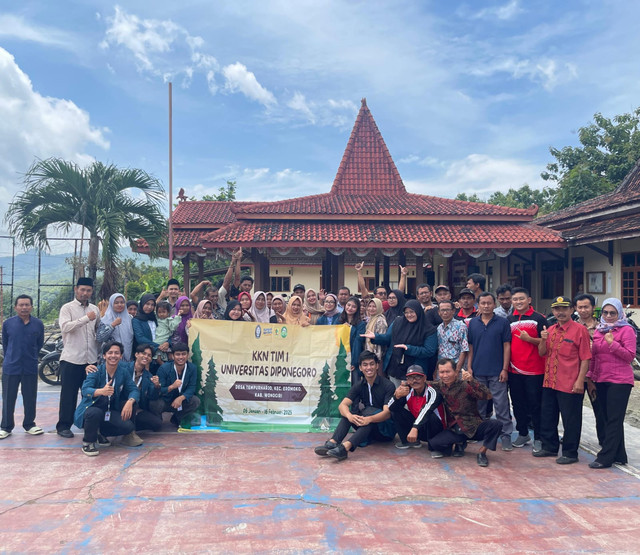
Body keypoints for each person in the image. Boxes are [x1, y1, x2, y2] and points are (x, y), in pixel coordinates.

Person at [536, 296, 591, 464]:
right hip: (550, 381)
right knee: (548, 416)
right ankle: (549, 447)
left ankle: (570, 452)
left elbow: (586, 358)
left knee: (571, 419)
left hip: (570, 383)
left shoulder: (580, 330)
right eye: (557, 309)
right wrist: (543, 339)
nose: (560, 312)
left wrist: (580, 381)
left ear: (571, 310)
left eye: (564, 308)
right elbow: (541, 353)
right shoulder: (550, 329)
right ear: (553, 311)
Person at [313, 351, 395, 461]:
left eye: (371, 364)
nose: (368, 368)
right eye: (365, 365)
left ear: (377, 366)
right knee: (349, 414)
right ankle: (333, 443)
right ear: (360, 368)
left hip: (385, 430)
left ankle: (345, 448)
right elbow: (342, 405)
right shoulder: (359, 385)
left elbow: (387, 414)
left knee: (367, 419)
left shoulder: (388, 385)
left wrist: (369, 419)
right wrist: (350, 416)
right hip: (368, 429)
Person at [587, 298, 636, 469]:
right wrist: (590, 378)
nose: (608, 316)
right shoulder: (600, 330)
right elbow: (595, 357)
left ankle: (605, 457)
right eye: (605, 313)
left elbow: (630, 356)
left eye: (612, 313)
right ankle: (619, 455)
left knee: (614, 419)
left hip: (620, 381)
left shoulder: (626, 330)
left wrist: (612, 343)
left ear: (619, 313)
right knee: (607, 418)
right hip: (601, 379)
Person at [428, 358, 502, 467]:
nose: (445, 375)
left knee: (496, 424)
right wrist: (407, 384)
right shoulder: (439, 385)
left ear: (455, 372)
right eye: (442, 372)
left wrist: (472, 381)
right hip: (455, 430)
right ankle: (459, 443)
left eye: (448, 372)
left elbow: (488, 395)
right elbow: (423, 384)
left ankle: (482, 452)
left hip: (473, 427)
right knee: (434, 444)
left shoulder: (466, 385)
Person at [73, 341, 140, 456]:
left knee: (128, 426)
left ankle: (100, 433)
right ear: (104, 355)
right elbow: (85, 390)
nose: (113, 356)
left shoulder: (123, 372)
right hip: (93, 408)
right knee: (94, 413)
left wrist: (130, 401)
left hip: (109, 410)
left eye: (116, 353)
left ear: (121, 356)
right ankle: (88, 442)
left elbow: (134, 389)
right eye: (110, 353)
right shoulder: (95, 371)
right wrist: (101, 391)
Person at [467, 292, 513, 451]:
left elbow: (507, 346)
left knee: (501, 405)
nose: (486, 306)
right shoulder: (473, 323)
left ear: (494, 305)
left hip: (497, 371)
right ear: (478, 305)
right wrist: (469, 367)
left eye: (489, 303)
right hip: (478, 371)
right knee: (479, 405)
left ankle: (506, 434)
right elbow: (471, 347)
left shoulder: (502, 322)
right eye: (483, 303)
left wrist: (504, 368)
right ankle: (478, 432)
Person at [56, 277, 101, 439]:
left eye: (88, 290)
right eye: (82, 290)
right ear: (76, 289)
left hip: (91, 360)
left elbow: (98, 331)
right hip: (71, 359)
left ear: (92, 291)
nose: (85, 293)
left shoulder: (95, 309)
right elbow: (66, 327)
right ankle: (63, 426)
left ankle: (87, 424)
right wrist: (85, 319)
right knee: (69, 395)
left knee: (90, 395)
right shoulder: (67, 308)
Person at [362, 299, 438, 387]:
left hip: (415, 370)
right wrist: (376, 337)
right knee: (397, 395)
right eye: (406, 312)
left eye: (412, 312)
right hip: (395, 367)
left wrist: (409, 348)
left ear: (418, 311)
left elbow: (429, 350)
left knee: (412, 397)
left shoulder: (429, 329)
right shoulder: (398, 322)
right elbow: (389, 338)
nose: (409, 315)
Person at [507, 287, 548, 450]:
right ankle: (523, 433)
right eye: (515, 299)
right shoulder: (509, 319)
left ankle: (539, 437)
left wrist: (529, 339)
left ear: (529, 300)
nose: (518, 302)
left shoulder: (539, 319)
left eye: (521, 299)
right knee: (517, 404)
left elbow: (547, 342)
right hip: (514, 370)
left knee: (535, 405)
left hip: (535, 371)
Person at [0, 295, 45, 440]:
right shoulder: (8, 324)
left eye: (27, 305)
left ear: (31, 307)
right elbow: (6, 345)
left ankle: (30, 424)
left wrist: (31, 356)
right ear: (15, 307)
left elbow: (39, 344)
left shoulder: (38, 324)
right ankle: (6, 427)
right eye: (21, 305)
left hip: (30, 366)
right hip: (11, 367)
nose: (24, 307)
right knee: (8, 397)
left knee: (30, 397)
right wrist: (11, 357)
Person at [388, 365, 443, 449]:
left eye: (417, 377)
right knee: (396, 410)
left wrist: (415, 428)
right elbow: (390, 407)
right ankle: (408, 441)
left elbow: (426, 411)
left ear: (424, 378)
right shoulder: (408, 390)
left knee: (431, 415)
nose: (414, 381)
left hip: (433, 429)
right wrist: (396, 396)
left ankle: (434, 444)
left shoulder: (433, 392)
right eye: (410, 378)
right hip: (417, 428)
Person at [574, 293, 604, 444]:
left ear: (593, 308)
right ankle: (572, 439)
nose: (583, 310)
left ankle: (604, 441)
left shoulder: (602, 328)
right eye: (580, 307)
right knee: (573, 412)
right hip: (576, 376)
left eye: (586, 307)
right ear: (575, 308)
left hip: (597, 376)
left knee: (600, 410)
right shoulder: (571, 327)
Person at [151, 342, 201, 428]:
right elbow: (160, 390)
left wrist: (181, 398)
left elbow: (191, 388)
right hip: (166, 400)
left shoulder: (192, 368)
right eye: (178, 354)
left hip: (180, 401)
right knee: (155, 403)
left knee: (195, 401)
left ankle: (177, 418)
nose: (181, 357)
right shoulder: (164, 368)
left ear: (187, 355)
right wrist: (172, 386)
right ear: (172, 356)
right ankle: (157, 421)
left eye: (183, 354)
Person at [127, 344, 163, 433]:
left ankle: (128, 427)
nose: (146, 357)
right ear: (136, 354)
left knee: (157, 424)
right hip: (122, 404)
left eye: (149, 355)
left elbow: (152, 397)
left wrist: (156, 386)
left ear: (151, 359)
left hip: (136, 408)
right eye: (144, 353)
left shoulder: (149, 376)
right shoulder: (124, 368)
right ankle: (127, 429)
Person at [96, 293, 134, 361]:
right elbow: (99, 338)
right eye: (116, 303)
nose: (119, 305)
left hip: (127, 358)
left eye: (122, 302)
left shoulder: (130, 319)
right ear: (111, 304)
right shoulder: (105, 319)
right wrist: (112, 325)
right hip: (110, 358)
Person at [436, 299, 468, 375]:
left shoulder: (461, 326)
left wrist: (457, 370)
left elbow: (464, 350)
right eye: (442, 310)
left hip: (456, 369)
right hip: (442, 369)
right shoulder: (439, 328)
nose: (445, 313)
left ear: (453, 311)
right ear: (439, 312)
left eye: (448, 310)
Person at [339, 296, 366, 382]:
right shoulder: (338, 320)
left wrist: (354, 362)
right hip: (339, 359)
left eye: (353, 306)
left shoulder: (361, 324)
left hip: (352, 360)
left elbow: (357, 344)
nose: (350, 308)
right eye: (348, 305)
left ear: (357, 309)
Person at [364, 298, 388, 366]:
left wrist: (377, 358)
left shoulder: (380, 320)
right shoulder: (371, 319)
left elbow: (381, 340)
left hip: (377, 356)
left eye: (374, 306)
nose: (371, 309)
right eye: (370, 306)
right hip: (370, 354)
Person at [154, 301, 178, 366]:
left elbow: (173, 327)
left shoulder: (169, 320)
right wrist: (160, 297)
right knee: (158, 358)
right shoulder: (156, 319)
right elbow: (153, 308)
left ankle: (166, 368)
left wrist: (178, 316)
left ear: (168, 312)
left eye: (164, 312)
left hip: (165, 340)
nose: (161, 314)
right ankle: (164, 367)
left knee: (170, 357)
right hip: (157, 340)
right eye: (159, 312)